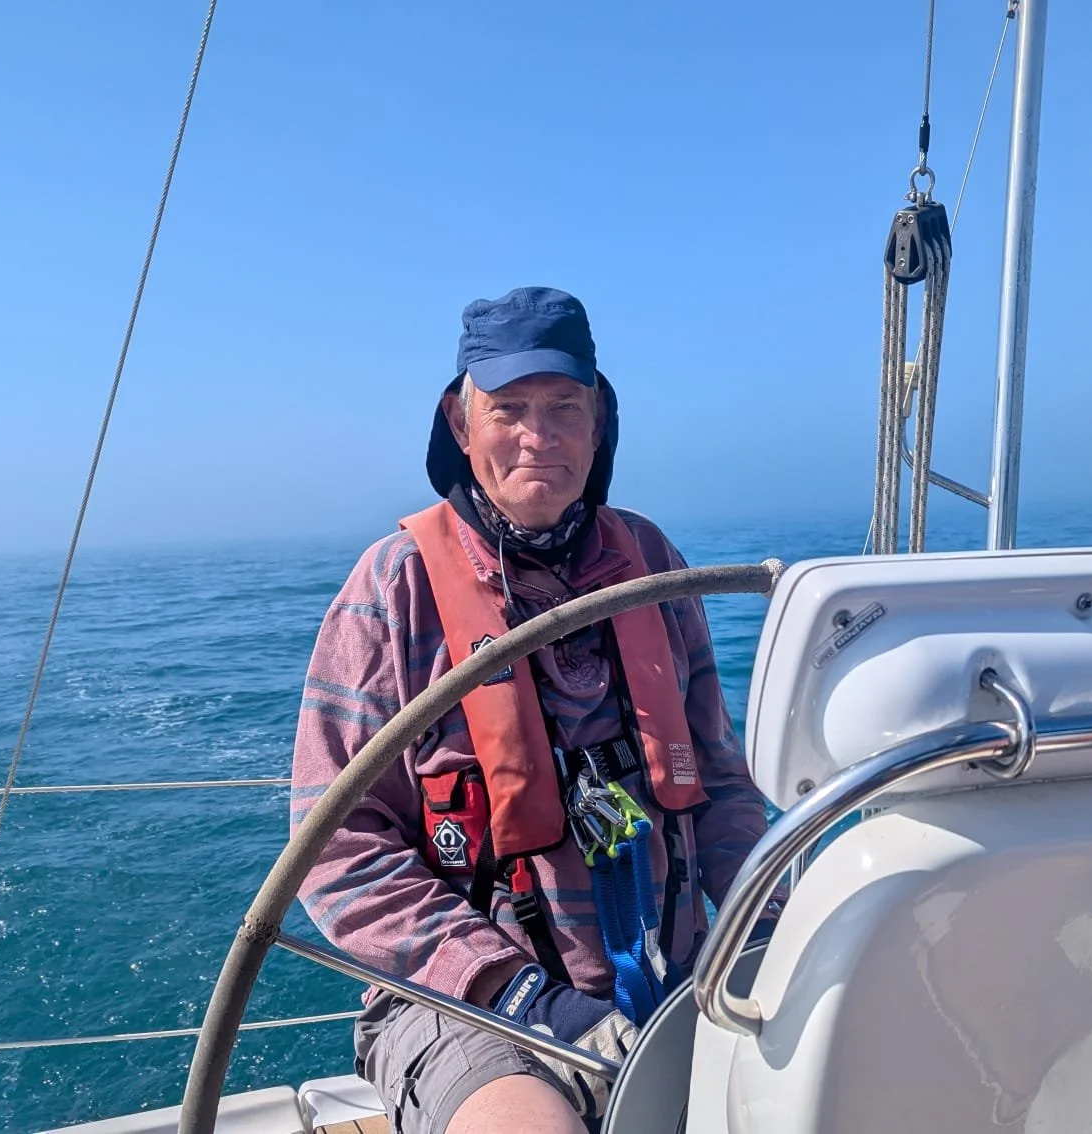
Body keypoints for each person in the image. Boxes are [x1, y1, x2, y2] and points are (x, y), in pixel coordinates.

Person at [291, 287, 777, 1134]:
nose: (537, 435)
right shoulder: (392, 588)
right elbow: (334, 847)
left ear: (600, 421)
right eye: (508, 409)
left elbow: (726, 788)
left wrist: (757, 934)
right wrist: (515, 993)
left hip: (682, 972)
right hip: (466, 1006)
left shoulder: (656, 565)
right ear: (459, 420)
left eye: (564, 407)